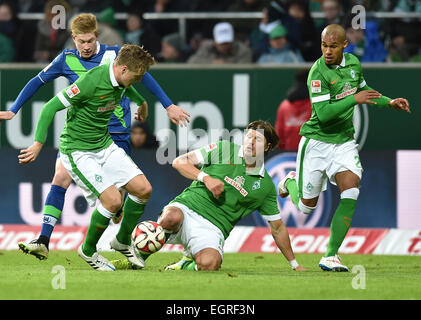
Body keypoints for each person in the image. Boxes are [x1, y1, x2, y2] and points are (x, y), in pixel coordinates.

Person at [0, 13, 190, 261]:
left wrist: (164, 104)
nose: (86, 46)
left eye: (90, 41)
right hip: (81, 133)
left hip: (116, 132)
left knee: (119, 202)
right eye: (81, 41)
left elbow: (141, 76)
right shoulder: (65, 59)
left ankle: (119, 239)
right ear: (73, 38)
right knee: (60, 177)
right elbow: (37, 82)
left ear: (96, 36)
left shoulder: (115, 56)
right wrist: (15, 109)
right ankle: (44, 240)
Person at [277, 24, 410, 272]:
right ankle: (290, 182)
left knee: (351, 188)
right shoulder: (317, 73)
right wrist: (353, 99)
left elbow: (364, 92)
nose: (327, 51)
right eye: (324, 45)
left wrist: (389, 102)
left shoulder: (354, 64)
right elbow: (325, 114)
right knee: (306, 207)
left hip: (343, 142)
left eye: (333, 46)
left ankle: (330, 255)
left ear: (344, 45)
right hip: (316, 142)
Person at [19, 44, 156, 271]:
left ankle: (121, 241)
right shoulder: (91, 81)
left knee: (143, 189)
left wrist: (142, 102)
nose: (139, 80)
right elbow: (49, 108)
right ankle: (89, 250)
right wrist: (37, 143)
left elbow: (126, 89)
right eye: (137, 75)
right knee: (113, 201)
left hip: (104, 144)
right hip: (78, 150)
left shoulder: (121, 79)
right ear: (123, 69)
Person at [112, 120, 307, 272]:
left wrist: (294, 264)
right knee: (170, 217)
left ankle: (186, 263)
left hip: (213, 228)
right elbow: (180, 162)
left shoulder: (265, 187)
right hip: (187, 208)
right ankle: (134, 259)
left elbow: (278, 228)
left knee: (210, 264)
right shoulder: (223, 149)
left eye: (257, 139)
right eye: (248, 136)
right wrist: (205, 178)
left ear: (267, 147)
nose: (250, 142)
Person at [275, 69, 311, 151]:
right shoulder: (316, 105)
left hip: (288, 158)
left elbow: (279, 137)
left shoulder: (284, 106)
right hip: (309, 158)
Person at [187, 22, 252, 64]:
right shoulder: (207, 46)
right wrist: (212, 62)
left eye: (227, 42)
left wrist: (226, 64)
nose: (224, 45)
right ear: (215, 41)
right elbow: (191, 61)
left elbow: (245, 66)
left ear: (232, 40)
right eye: (221, 43)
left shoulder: (242, 50)